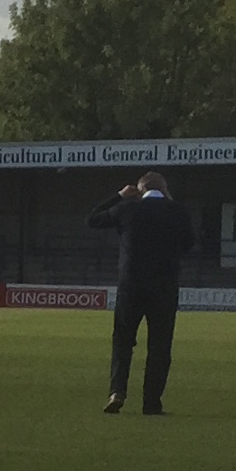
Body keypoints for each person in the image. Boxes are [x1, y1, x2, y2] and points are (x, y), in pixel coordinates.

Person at [88, 170, 195, 415]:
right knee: (159, 346)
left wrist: (118, 196)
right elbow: (189, 244)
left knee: (123, 341)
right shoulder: (178, 211)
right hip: (164, 288)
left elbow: (92, 219)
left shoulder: (127, 210)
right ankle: (151, 403)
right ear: (164, 189)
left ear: (139, 189)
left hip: (131, 286)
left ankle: (117, 391)